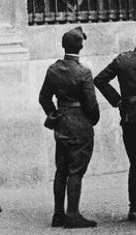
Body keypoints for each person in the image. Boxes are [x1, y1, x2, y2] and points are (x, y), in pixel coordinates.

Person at [94, 21, 136, 222]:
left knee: (135, 162)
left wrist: (117, 101)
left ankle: (133, 208)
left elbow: (100, 80)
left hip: (129, 116)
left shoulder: (122, 60)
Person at [39, 26, 100, 229]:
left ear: (63, 45)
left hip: (62, 123)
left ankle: (58, 214)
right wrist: (92, 119)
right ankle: (72, 214)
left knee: (61, 170)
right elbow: (91, 105)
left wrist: (54, 114)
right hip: (80, 124)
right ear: (81, 46)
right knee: (76, 171)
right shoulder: (83, 72)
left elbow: (44, 98)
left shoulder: (53, 69)